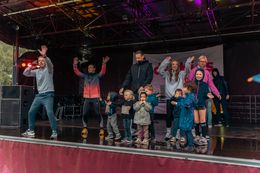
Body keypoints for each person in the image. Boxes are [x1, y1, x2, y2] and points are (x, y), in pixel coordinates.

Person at [22, 45, 58, 139]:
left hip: (48, 95)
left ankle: (54, 131)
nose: (41, 62)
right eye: (40, 61)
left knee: (50, 112)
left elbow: (50, 64)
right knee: (31, 112)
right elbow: (25, 73)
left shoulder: (49, 70)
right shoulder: (37, 71)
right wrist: (31, 66)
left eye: (43, 61)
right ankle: (31, 130)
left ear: (45, 62)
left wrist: (45, 56)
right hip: (39, 96)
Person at [158, 56, 194, 140]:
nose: (174, 65)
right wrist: (166, 60)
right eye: (173, 64)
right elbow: (159, 70)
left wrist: (188, 62)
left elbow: (188, 71)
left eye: (176, 64)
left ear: (178, 66)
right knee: (169, 116)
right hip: (169, 98)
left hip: (179, 98)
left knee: (178, 116)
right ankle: (168, 133)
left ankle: (178, 133)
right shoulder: (167, 74)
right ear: (170, 65)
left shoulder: (181, 73)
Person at [73, 56, 110, 137]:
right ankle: (85, 127)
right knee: (85, 113)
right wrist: (75, 65)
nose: (89, 69)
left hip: (95, 97)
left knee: (97, 113)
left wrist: (104, 63)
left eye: (91, 67)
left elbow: (103, 72)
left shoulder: (97, 76)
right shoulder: (85, 76)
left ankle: (101, 128)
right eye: (88, 68)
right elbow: (77, 72)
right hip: (87, 98)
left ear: (94, 69)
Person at [188, 55, 221, 128]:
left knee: (206, 112)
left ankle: (204, 129)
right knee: (193, 113)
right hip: (195, 95)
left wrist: (217, 93)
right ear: (198, 62)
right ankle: (195, 129)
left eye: (205, 62)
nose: (203, 63)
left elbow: (211, 84)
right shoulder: (194, 70)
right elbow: (189, 81)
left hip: (205, 95)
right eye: (202, 61)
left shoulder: (207, 72)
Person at [171, 81, 197, 152]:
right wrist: (178, 101)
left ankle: (191, 145)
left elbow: (186, 104)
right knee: (186, 130)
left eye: (184, 87)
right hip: (185, 115)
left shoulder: (190, 96)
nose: (183, 88)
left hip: (187, 117)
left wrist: (177, 103)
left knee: (188, 131)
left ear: (189, 88)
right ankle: (189, 144)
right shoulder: (189, 96)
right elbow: (184, 102)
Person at [193, 69, 214, 146]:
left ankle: (204, 137)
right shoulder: (192, 84)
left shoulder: (205, 84)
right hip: (194, 105)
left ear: (203, 76)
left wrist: (207, 95)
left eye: (200, 74)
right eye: (197, 74)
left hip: (201, 104)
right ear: (195, 75)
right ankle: (197, 136)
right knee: (196, 121)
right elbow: (190, 94)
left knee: (202, 121)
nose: (198, 75)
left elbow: (206, 94)